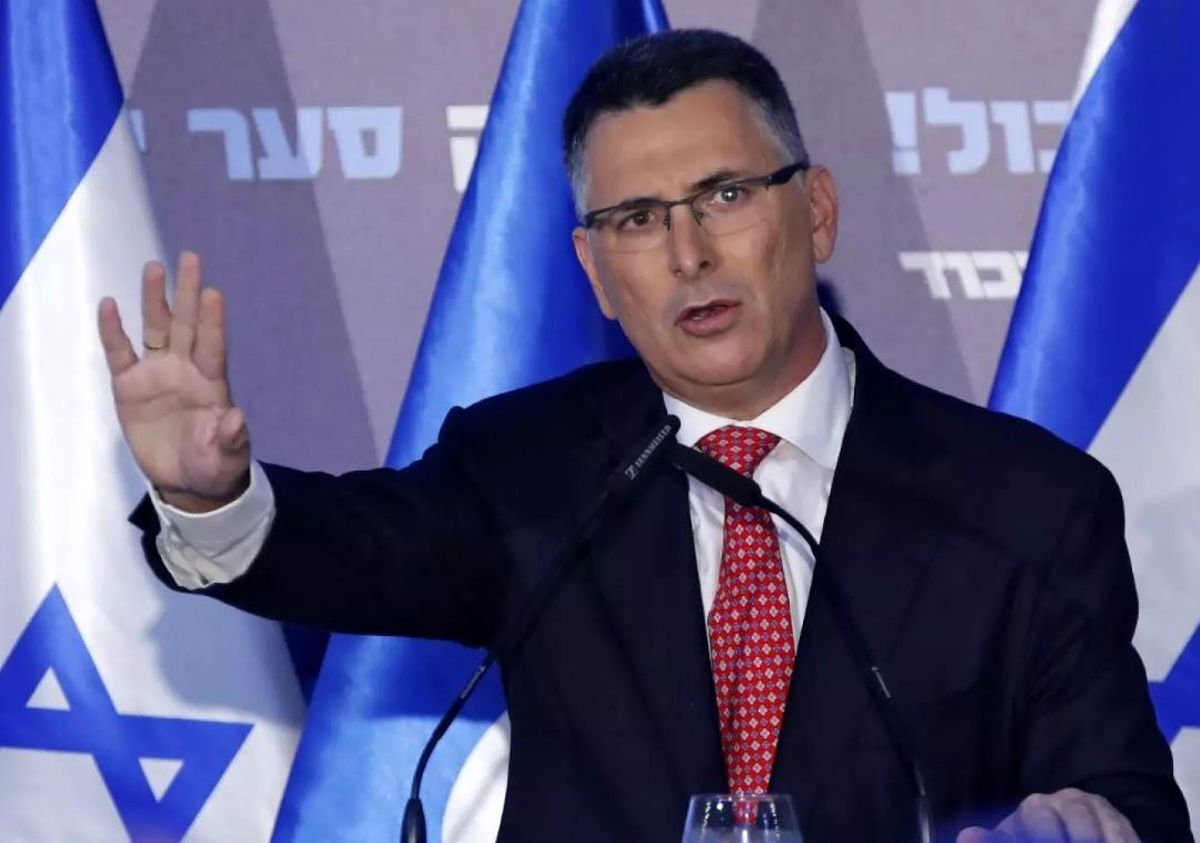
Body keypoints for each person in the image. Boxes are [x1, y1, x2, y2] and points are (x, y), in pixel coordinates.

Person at [97, 29, 1191, 843]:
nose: (687, 253)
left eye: (725, 194)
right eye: (635, 220)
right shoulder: (530, 468)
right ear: (594, 272)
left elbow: (1127, 800)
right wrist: (212, 495)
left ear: (815, 211)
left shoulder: (1024, 503)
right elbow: (349, 546)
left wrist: (1075, 828)